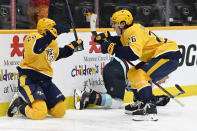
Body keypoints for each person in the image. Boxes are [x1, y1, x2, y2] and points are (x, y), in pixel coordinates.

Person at [78, 10, 182, 121]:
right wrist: (108, 38)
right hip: (161, 55)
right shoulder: (129, 31)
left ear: (123, 24)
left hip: (167, 55)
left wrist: (111, 48)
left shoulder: (133, 32)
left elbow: (133, 54)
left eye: (114, 23)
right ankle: (140, 102)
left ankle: (149, 107)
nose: (112, 26)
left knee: (141, 74)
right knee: (132, 73)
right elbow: (123, 42)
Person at [7, 18, 83, 120]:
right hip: (29, 79)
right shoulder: (32, 38)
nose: (55, 30)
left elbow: (57, 54)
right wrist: (55, 31)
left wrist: (72, 47)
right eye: (52, 28)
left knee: (60, 112)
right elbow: (38, 48)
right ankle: (19, 104)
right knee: (39, 114)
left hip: (45, 82)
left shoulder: (52, 43)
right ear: (44, 30)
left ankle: (41, 103)